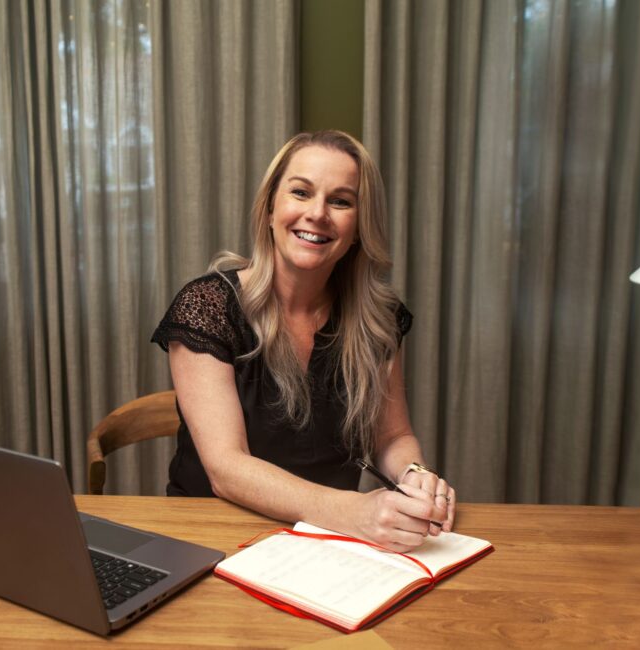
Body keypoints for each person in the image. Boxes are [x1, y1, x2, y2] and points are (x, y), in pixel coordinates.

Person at [151, 130, 454, 552]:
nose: (318, 214)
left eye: (341, 201)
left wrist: (415, 475)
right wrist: (354, 513)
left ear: (359, 229)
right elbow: (227, 469)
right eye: (301, 192)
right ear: (271, 208)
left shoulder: (377, 319)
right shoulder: (208, 305)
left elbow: (392, 438)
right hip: (211, 537)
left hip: (327, 543)